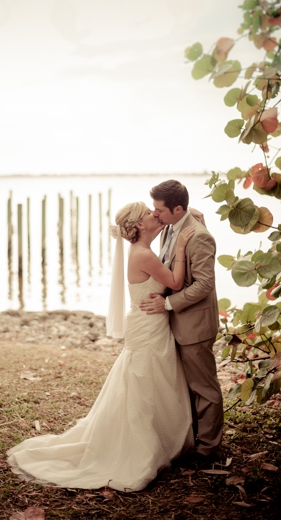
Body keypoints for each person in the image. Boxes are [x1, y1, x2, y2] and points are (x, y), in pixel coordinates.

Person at [6, 202, 195, 491]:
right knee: (144, 383)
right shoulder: (143, 254)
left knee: (152, 380)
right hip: (147, 327)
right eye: (148, 213)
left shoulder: (143, 250)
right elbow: (176, 281)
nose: (154, 215)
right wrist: (181, 246)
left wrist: (182, 223)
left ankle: (160, 437)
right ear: (140, 225)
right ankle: (142, 445)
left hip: (150, 324)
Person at [139, 180, 224, 462]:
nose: (155, 215)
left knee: (203, 387)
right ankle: (192, 438)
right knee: (186, 387)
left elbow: (204, 285)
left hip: (194, 325)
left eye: (159, 210)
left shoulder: (198, 235)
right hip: (175, 323)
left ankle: (209, 447)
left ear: (178, 208)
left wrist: (166, 304)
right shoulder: (171, 227)